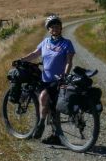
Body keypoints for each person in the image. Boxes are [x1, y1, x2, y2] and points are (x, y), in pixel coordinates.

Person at [17, 14, 74, 145]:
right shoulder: (45, 42)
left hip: (59, 79)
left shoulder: (67, 43)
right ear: (48, 29)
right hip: (45, 79)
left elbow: (69, 62)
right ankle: (50, 129)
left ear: (61, 28)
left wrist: (64, 76)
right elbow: (34, 54)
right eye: (52, 27)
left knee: (47, 101)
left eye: (57, 26)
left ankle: (45, 128)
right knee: (47, 102)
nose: (54, 28)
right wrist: (21, 60)